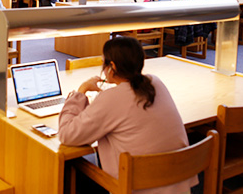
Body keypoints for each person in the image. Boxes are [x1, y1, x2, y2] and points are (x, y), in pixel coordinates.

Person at [58, 37, 196, 193]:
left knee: (75, 167)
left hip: (138, 187)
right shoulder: (155, 82)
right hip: (179, 183)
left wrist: (81, 91)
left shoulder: (111, 98)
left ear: (112, 67)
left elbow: (67, 134)